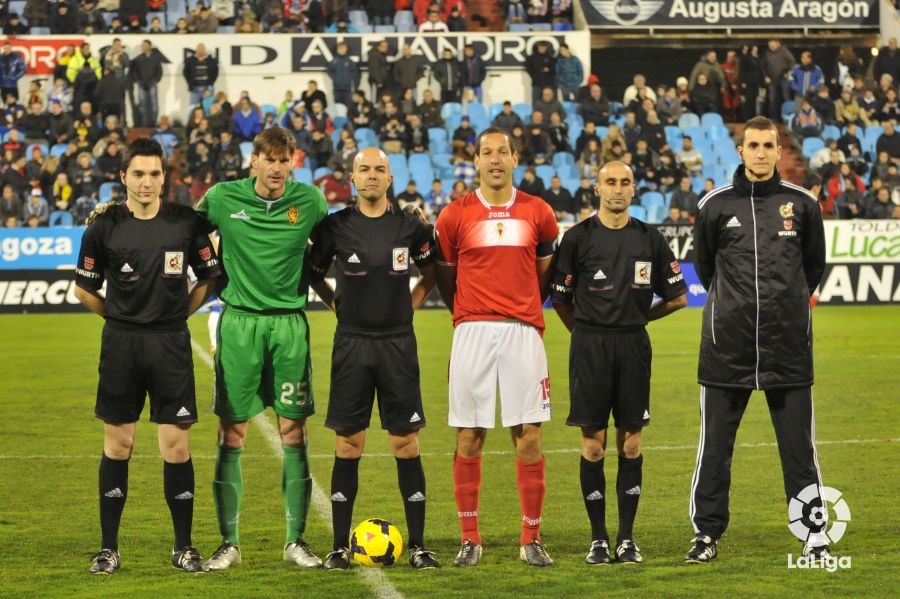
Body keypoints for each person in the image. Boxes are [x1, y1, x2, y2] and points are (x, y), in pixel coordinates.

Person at [73, 138, 222, 575]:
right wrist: (119, 319)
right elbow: (84, 288)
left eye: (154, 174)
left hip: (171, 343)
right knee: (118, 445)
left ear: (164, 178)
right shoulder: (103, 226)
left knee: (176, 447)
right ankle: (108, 549)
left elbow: (210, 277)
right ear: (123, 177)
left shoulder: (185, 223)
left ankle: (183, 548)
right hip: (121, 344)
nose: (146, 182)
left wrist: (178, 314)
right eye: (138, 173)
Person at [687, 116, 828, 564]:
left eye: (769, 145)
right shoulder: (714, 205)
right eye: (754, 145)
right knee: (715, 449)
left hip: (787, 346)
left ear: (779, 150)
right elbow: (707, 270)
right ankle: (707, 535)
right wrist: (734, 309)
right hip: (727, 346)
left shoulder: (802, 205)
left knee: (799, 449)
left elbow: (813, 269)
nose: (762, 152)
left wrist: (785, 308)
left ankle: (813, 534)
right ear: (741, 150)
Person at [197, 127, 329, 571]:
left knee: (295, 432)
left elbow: (337, 241)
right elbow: (183, 232)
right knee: (231, 432)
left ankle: (296, 541)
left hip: (289, 326)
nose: (276, 168)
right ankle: (228, 543)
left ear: (293, 161)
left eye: (284, 159)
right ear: (252, 161)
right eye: (268, 159)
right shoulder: (221, 198)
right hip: (239, 325)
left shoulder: (310, 201)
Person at [307, 147, 441, 570]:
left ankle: (418, 544)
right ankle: (340, 547)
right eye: (364, 169)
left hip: (398, 343)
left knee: (405, 442)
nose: (371, 176)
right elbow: (311, 272)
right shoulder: (335, 227)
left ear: (390, 179)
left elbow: (432, 272)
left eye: (379, 170)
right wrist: (334, 303)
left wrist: (412, 305)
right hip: (352, 344)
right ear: (352, 178)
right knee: (349, 443)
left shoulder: (410, 226)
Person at [434, 127, 559, 567]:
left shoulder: (539, 212)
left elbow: (543, 275)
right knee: (469, 435)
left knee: (528, 436)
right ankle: (470, 537)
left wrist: (518, 307)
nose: (494, 160)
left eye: (502, 152)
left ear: (514, 157)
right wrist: (471, 313)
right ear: (476, 160)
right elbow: (446, 280)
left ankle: (531, 538)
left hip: (523, 332)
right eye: (486, 153)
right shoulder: (453, 216)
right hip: (472, 331)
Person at [551, 160, 687, 565]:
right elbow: (559, 296)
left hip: (632, 346)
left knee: (631, 443)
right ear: (597, 188)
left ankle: (626, 539)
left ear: (634, 190)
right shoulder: (577, 238)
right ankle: (598, 539)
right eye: (610, 182)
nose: (617, 189)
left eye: (625, 182)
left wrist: (639, 318)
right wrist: (583, 331)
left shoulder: (650, 239)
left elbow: (678, 297)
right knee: (593, 446)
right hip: (590, 346)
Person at [183, 43, 219, 108]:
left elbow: (215, 73)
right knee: (192, 108)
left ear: (205, 50)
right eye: (199, 49)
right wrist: (190, 82)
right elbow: (185, 72)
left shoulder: (211, 60)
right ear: (196, 50)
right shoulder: (190, 60)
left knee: (208, 108)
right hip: (195, 89)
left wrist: (210, 85)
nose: (200, 50)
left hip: (207, 88)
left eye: (202, 49)